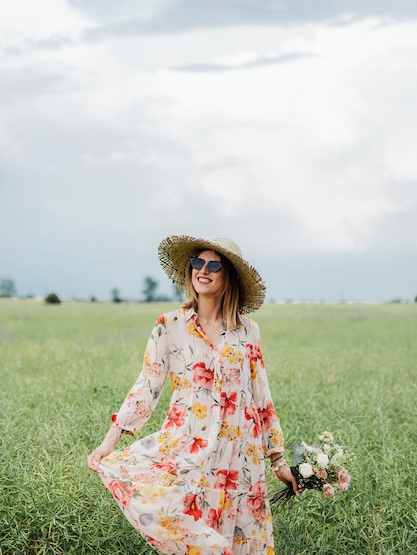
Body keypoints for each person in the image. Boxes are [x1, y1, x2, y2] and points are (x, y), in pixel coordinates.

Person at [88, 235, 298, 555]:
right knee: (186, 525)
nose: (203, 270)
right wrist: (108, 443)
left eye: (214, 265)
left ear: (229, 276)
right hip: (188, 445)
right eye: (198, 263)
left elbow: (261, 398)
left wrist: (278, 460)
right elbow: (147, 385)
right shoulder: (169, 326)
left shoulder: (248, 331)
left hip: (240, 454)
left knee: (240, 533)